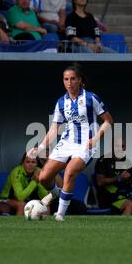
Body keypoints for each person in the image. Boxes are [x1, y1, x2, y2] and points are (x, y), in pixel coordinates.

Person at [28, 63, 113, 221]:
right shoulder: (61, 102)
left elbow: (108, 121)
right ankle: (54, 192)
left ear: (80, 80)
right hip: (67, 142)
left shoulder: (90, 98)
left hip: (86, 144)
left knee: (70, 172)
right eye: (66, 79)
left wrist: (95, 139)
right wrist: (40, 147)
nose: (69, 82)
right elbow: (54, 129)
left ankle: (60, 214)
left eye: (73, 79)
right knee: (44, 177)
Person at [95, 138, 132, 215]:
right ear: (111, 147)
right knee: (131, 205)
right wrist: (119, 178)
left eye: (122, 146)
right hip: (108, 196)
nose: (120, 149)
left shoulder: (127, 161)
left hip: (125, 194)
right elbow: (100, 182)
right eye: (117, 146)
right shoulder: (103, 160)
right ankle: (122, 227)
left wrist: (129, 180)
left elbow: (130, 181)